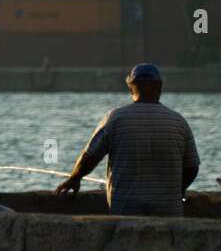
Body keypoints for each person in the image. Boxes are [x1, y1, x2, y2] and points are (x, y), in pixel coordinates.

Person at [54, 64, 199, 216]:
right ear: (160, 87)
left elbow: (91, 156)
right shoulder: (178, 122)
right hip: (168, 212)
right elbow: (192, 167)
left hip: (124, 212)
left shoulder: (116, 118)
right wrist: (177, 189)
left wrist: (74, 178)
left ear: (131, 88)